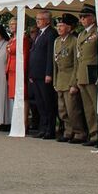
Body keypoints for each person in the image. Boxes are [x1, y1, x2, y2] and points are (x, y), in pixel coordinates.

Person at [76, 4, 98, 146]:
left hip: (93, 73)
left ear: (93, 18)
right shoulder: (81, 34)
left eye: (85, 17)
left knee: (97, 106)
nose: (82, 19)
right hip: (83, 73)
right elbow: (79, 57)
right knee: (88, 108)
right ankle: (94, 134)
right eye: (81, 17)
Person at [53, 14, 86, 143]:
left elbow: (76, 63)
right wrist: (55, 81)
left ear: (69, 27)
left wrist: (74, 83)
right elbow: (55, 64)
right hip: (60, 79)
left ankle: (79, 132)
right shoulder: (57, 41)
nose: (59, 28)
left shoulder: (74, 40)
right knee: (62, 110)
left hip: (70, 78)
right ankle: (68, 131)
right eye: (58, 26)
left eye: (62, 26)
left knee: (73, 109)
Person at [28, 10, 57, 139]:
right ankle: (43, 127)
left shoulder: (51, 33)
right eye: (37, 19)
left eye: (40, 19)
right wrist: (31, 73)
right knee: (40, 103)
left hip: (44, 74)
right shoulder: (39, 33)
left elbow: (50, 55)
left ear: (47, 20)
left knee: (47, 102)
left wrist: (48, 73)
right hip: (36, 73)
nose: (37, 21)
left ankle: (50, 129)